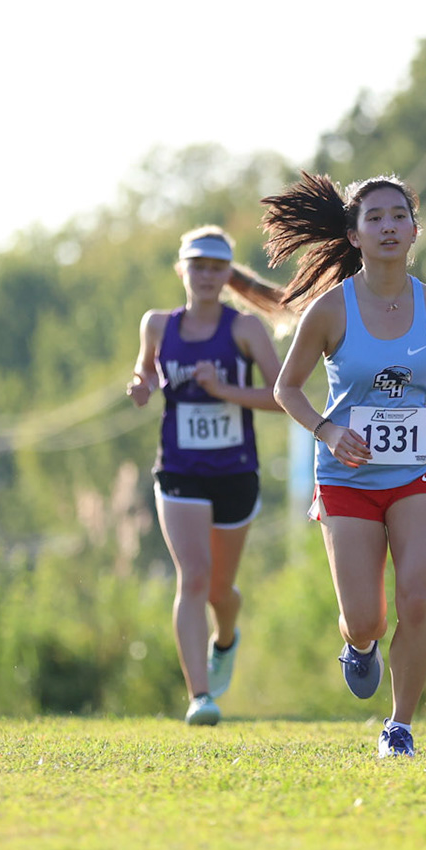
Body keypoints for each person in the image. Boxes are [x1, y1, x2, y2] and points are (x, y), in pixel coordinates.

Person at [263, 172, 426, 758]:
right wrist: (327, 429)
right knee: (365, 618)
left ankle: (400, 726)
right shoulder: (330, 310)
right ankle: (359, 645)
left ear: (415, 230)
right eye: (375, 218)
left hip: (419, 470)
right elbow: (285, 388)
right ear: (355, 234)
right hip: (346, 477)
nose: (389, 226)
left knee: (417, 599)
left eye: (399, 216)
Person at [126, 225, 287, 726]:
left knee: (221, 590)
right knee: (192, 578)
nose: (207, 276)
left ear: (227, 274)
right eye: (198, 266)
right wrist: (141, 385)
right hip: (178, 470)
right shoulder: (157, 324)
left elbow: (284, 396)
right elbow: (146, 371)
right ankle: (201, 697)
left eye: (217, 268)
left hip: (235, 471)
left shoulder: (245, 330)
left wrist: (224, 391)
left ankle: (226, 638)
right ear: (183, 271)